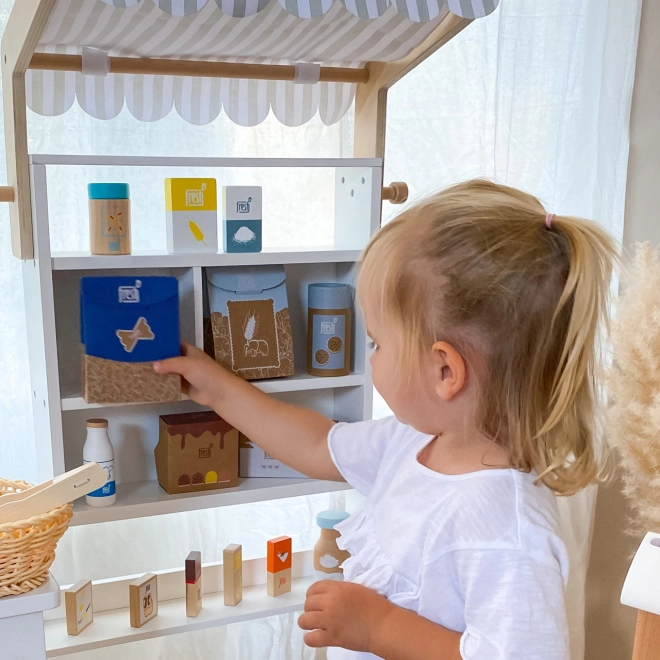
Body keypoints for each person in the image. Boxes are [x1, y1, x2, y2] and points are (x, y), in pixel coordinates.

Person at [154, 179, 617, 660]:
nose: (370, 356)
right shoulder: (416, 441)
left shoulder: (506, 530)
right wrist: (216, 388)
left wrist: (380, 627)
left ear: (444, 370)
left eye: (377, 342)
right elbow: (317, 445)